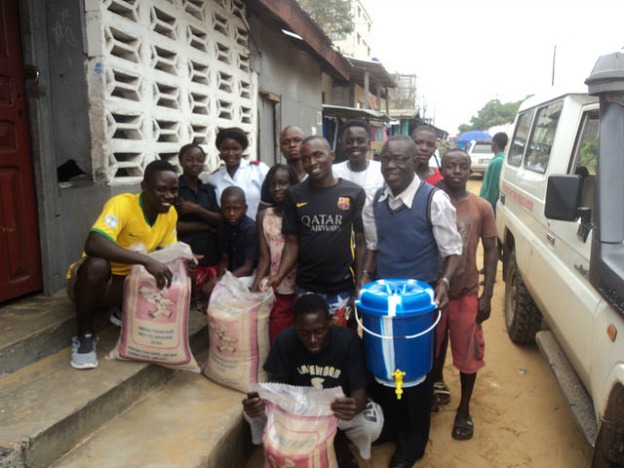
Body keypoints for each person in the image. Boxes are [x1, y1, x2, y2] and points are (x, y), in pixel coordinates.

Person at [360, 136, 462, 467]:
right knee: (384, 365)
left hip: (418, 305)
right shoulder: (374, 200)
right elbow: (373, 247)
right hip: (385, 301)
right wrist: (364, 277)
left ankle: (414, 442)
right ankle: (394, 427)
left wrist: (444, 282)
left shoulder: (434, 200)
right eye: (386, 159)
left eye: (400, 160)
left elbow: (453, 251)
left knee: (416, 372)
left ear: (414, 161)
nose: (391, 166)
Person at [242, 294, 383, 467]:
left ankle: (339, 444)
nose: (313, 340)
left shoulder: (349, 341)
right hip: (299, 411)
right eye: (304, 333)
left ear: (331, 322)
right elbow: (276, 387)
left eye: (319, 331)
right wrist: (259, 402)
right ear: (295, 325)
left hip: (336, 410)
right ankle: (282, 446)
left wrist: (353, 405)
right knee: (252, 413)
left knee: (371, 424)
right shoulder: (285, 341)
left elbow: (359, 390)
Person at [67, 160, 180, 369]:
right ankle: (84, 335)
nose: (169, 196)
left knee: (170, 270)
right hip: (100, 282)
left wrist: (184, 261)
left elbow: (167, 253)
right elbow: (93, 243)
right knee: (97, 265)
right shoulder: (122, 204)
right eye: (161, 190)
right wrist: (146, 260)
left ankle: (123, 308)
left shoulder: (170, 213)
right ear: (144, 187)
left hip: (130, 282)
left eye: (174, 190)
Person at [263, 136, 366, 326]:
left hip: (342, 288)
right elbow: (292, 243)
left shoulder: (354, 192)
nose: (312, 163)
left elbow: (361, 243)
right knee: (309, 338)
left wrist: (359, 284)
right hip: (306, 287)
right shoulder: (295, 194)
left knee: (342, 338)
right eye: (306, 158)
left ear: (332, 156)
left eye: (318, 155)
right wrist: (279, 275)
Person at [437, 149, 497, 441]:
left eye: (463, 166)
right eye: (451, 165)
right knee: (430, 351)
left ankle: (463, 408)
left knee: (468, 354)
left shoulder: (481, 206)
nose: (457, 171)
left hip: (466, 293)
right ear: (443, 168)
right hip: (434, 294)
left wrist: (487, 295)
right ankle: (431, 391)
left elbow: (492, 249)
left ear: (470, 169)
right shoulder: (429, 198)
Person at [251, 164, 299, 343]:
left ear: (293, 185)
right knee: (277, 331)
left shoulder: (301, 213)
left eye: (283, 183)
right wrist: (255, 289)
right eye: (273, 184)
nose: (277, 188)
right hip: (277, 287)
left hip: (300, 285)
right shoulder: (264, 216)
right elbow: (265, 256)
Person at [175, 144, 221, 308]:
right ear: (181, 161)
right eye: (190, 159)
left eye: (199, 160)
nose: (195, 164)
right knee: (186, 304)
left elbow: (218, 220)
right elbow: (174, 227)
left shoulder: (208, 190)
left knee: (210, 304)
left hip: (211, 255)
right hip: (187, 256)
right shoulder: (175, 189)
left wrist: (196, 209)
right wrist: (206, 226)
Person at [207, 127, 269, 220]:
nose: (230, 153)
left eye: (235, 149)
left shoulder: (259, 170)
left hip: (259, 229)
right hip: (229, 232)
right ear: (219, 150)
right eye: (225, 149)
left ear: (242, 149)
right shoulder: (214, 178)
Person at [214, 186, 259, 289]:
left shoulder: (251, 229)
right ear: (221, 209)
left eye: (236, 209)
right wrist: (218, 281)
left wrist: (220, 282)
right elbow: (224, 261)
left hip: (249, 276)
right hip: (231, 274)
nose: (231, 213)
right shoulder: (224, 226)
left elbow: (248, 268)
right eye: (227, 209)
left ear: (245, 208)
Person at [332, 120, 385, 203]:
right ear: (342, 145)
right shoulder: (333, 172)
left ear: (369, 144)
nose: (355, 145)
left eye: (360, 141)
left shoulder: (381, 169)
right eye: (349, 141)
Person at [259, 125, 307, 210]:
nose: (292, 145)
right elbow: (264, 213)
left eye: (297, 140)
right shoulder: (273, 177)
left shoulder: (315, 175)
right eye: (285, 142)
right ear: (280, 148)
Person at [479, 132, 508, 214]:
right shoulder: (501, 159)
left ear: (494, 144)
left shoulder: (497, 162)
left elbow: (493, 189)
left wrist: (486, 206)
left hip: (490, 208)